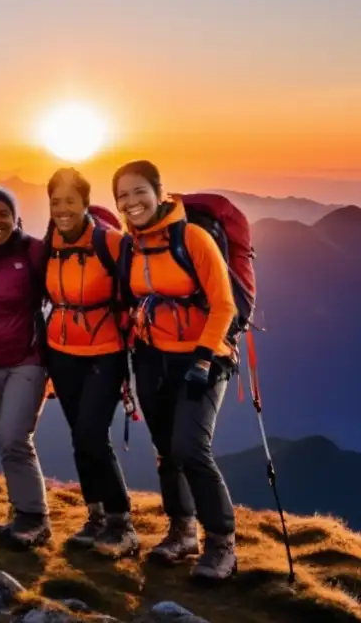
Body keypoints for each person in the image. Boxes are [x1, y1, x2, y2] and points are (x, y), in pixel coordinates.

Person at [113, 160, 238, 580]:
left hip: (203, 357)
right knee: (166, 449)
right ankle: (182, 532)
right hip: (151, 357)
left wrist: (203, 358)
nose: (131, 202)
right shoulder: (131, 246)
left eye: (139, 192)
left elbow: (225, 305)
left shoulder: (193, 238)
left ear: (160, 193)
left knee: (191, 449)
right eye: (122, 196)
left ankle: (222, 544)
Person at [41, 168, 138, 558]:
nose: (62, 210)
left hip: (105, 351)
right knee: (79, 437)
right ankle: (95, 516)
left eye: (70, 201)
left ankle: (122, 525)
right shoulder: (49, 243)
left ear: (85, 203)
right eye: (55, 202)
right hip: (61, 351)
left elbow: (139, 289)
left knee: (92, 436)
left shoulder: (111, 244)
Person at [0, 189, 51, 548]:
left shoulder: (34, 252)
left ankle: (36, 517)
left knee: (14, 438)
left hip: (28, 359)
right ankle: (20, 510)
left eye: (3, 214)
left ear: (17, 217)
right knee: (6, 439)